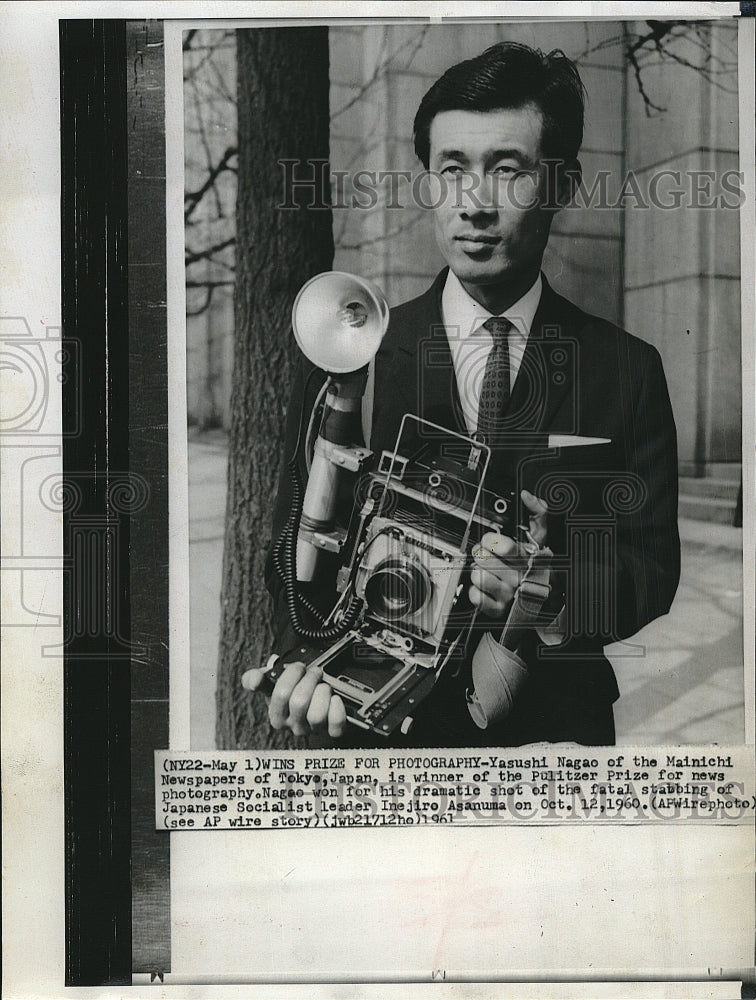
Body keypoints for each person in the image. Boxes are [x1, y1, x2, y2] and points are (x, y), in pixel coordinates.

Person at [243, 41, 681, 747]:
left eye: (508, 170)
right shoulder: (354, 352)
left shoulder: (626, 368)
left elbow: (651, 571)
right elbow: (300, 546)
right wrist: (303, 665)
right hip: (380, 739)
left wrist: (548, 591)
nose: (473, 204)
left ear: (562, 185)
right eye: (452, 170)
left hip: (552, 739)